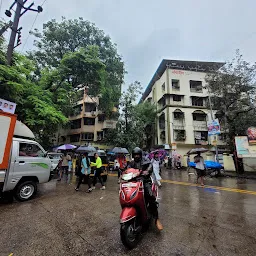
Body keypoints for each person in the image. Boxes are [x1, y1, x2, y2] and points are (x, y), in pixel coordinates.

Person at [128, 147, 163, 231]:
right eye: (135, 155)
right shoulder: (131, 163)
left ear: (140, 155)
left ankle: (156, 219)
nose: (136, 156)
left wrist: (147, 171)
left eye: (138, 154)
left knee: (150, 196)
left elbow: (150, 165)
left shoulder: (145, 160)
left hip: (145, 181)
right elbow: (127, 169)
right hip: (134, 182)